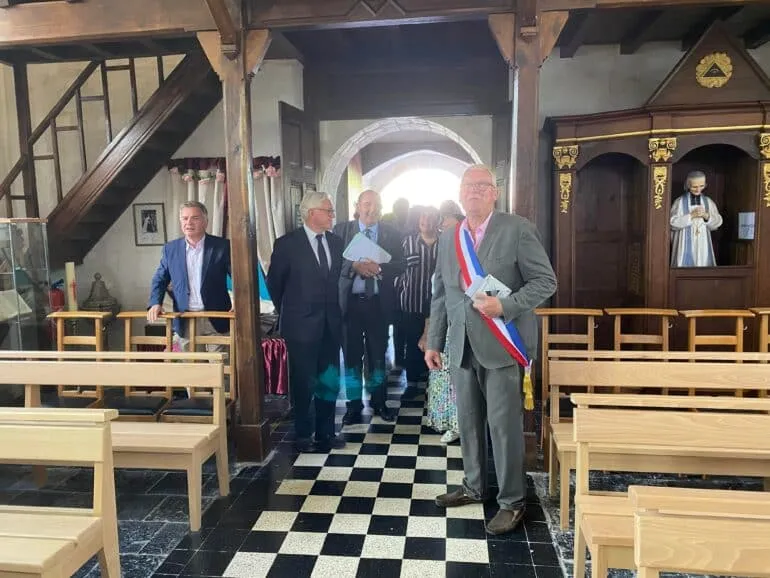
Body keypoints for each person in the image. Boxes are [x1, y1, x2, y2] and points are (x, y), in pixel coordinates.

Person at [425, 165, 557, 535]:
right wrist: (434, 341)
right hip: (461, 345)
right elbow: (441, 294)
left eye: (482, 186)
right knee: (468, 421)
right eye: (468, 186)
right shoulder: (450, 237)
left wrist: (506, 305)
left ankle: (512, 501)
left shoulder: (517, 229)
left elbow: (546, 281)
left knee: (503, 427)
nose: (474, 191)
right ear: (460, 192)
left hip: (502, 344)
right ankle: (473, 486)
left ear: (494, 192)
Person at [268, 192, 345, 453]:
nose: (332, 215)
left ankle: (326, 433)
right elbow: (274, 284)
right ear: (312, 213)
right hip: (300, 327)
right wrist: (292, 311)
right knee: (303, 382)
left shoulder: (336, 242)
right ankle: (302, 434)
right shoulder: (287, 244)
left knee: (329, 381)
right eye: (328, 210)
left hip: (331, 325)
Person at [334, 189, 405, 424]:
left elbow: (402, 264)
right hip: (350, 306)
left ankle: (379, 402)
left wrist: (380, 268)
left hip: (378, 305)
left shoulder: (391, 233)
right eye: (367, 204)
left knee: (377, 357)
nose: (371, 209)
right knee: (351, 358)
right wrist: (353, 266)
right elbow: (331, 265)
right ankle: (353, 406)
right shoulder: (341, 231)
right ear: (357, 205)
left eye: (376, 205)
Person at [147, 201, 231, 349]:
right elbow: (160, 279)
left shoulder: (222, 246)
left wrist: (238, 301)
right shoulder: (170, 249)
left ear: (205, 221)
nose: (189, 223)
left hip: (216, 318)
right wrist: (155, 303)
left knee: (221, 363)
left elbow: (238, 277)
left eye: (195, 218)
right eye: (185, 218)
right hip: (186, 319)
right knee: (191, 364)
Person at [419, 200, 465, 444]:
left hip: (462, 325)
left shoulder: (470, 253)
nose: (444, 230)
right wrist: (429, 332)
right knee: (442, 376)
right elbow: (436, 296)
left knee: (460, 378)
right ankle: (446, 421)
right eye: (442, 227)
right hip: (443, 327)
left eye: (449, 225)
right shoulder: (444, 252)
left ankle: (462, 423)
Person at [398, 206, 439, 399]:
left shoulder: (445, 242)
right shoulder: (407, 242)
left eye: (431, 217)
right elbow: (397, 268)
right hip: (412, 303)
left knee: (436, 344)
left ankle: (435, 384)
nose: (426, 221)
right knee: (413, 344)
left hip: (438, 306)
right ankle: (412, 384)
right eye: (423, 217)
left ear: (437, 221)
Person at [670, 170, 723, 267]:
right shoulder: (680, 202)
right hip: (684, 241)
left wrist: (706, 216)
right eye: (694, 187)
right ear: (688, 185)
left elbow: (718, 222)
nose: (698, 189)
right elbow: (672, 222)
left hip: (703, 241)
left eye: (701, 186)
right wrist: (691, 216)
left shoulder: (708, 202)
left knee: (703, 263)